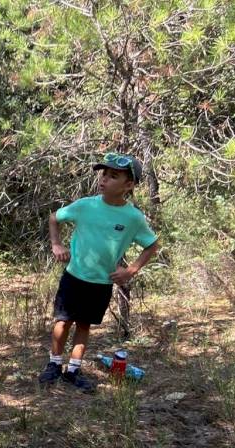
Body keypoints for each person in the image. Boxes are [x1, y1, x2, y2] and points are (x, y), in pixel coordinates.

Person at [38, 152, 160, 394]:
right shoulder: (85, 206)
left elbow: (152, 245)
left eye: (113, 176)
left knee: (84, 324)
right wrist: (56, 244)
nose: (104, 179)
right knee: (63, 321)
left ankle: (73, 370)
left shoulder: (133, 217)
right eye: (104, 174)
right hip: (74, 276)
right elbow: (54, 218)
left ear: (129, 185)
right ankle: (54, 364)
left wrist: (131, 270)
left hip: (101, 283)